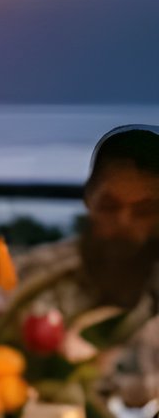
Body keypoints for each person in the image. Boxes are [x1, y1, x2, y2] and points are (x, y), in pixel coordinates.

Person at [12, 126, 159, 386]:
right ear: (89, 199)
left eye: (144, 210)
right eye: (109, 206)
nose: (123, 222)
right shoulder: (34, 274)